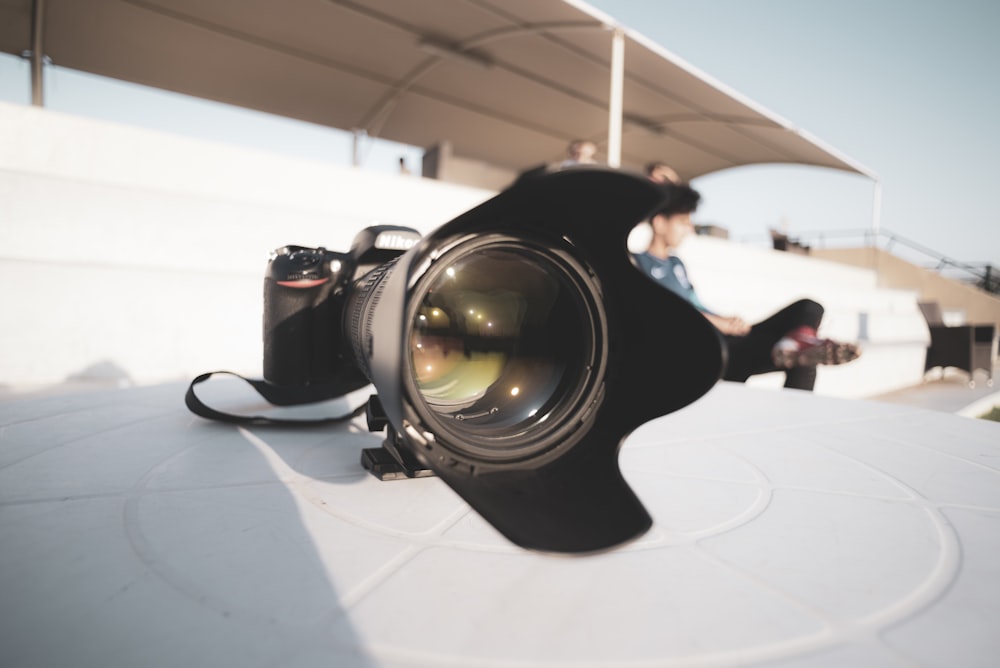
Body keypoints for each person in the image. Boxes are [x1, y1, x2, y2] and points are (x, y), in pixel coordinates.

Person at [632, 182, 861, 391]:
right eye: (683, 222)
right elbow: (661, 313)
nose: (689, 229)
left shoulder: (676, 263)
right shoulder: (637, 263)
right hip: (706, 351)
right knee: (801, 357)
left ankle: (799, 341)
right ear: (660, 222)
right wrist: (718, 323)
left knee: (809, 309)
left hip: (726, 335)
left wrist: (726, 320)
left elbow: (695, 303)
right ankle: (798, 348)